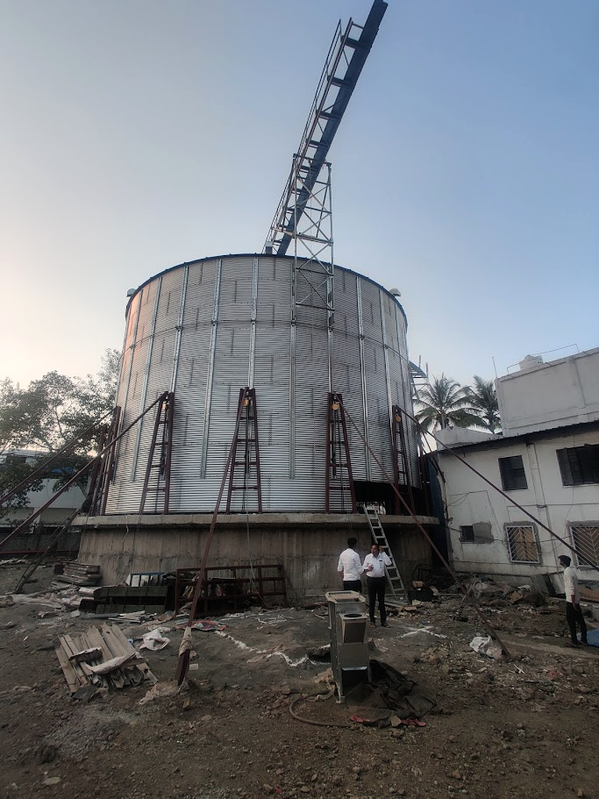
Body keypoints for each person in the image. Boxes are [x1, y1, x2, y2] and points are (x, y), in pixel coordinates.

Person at [558, 554, 588, 646]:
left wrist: (573, 601)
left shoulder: (567, 572)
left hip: (571, 601)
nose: (559, 562)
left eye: (560, 560)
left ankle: (574, 641)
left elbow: (571, 587)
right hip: (575, 600)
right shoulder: (572, 571)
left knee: (571, 622)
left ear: (563, 562)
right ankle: (583, 639)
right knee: (580, 621)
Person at [363, 543, 392, 627]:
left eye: (375, 549)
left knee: (381, 601)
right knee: (372, 601)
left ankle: (383, 621)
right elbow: (363, 567)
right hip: (371, 580)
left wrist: (383, 553)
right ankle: (372, 621)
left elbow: (389, 563)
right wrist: (368, 569)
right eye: (372, 549)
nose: (373, 550)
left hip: (380, 580)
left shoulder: (382, 556)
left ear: (378, 550)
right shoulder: (368, 557)